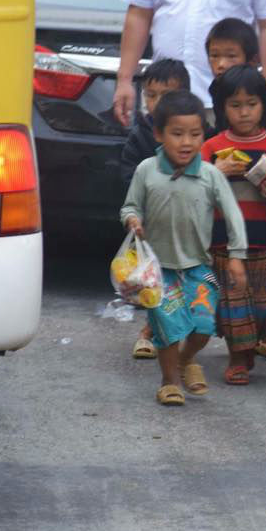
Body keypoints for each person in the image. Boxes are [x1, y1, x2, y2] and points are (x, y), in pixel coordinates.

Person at [119, 91, 248, 406]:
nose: (187, 142)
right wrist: (133, 221)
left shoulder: (211, 175)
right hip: (158, 271)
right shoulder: (147, 170)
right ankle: (169, 382)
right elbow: (129, 207)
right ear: (159, 134)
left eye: (195, 134)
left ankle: (187, 359)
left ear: (204, 135)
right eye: (177, 134)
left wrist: (236, 257)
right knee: (167, 329)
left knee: (204, 327)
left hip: (197, 268)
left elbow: (233, 216)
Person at [200, 65, 266, 384]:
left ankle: (250, 349)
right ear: (222, 108)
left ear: (264, 105)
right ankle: (237, 358)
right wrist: (214, 173)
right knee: (235, 303)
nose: (244, 113)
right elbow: (192, 192)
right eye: (235, 105)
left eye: (252, 104)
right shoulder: (212, 148)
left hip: (263, 240)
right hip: (225, 242)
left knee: (263, 305)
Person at [113, 0, 266, 126]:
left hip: (230, 102)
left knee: (225, 161)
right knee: (159, 161)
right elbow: (139, 14)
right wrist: (124, 80)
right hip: (163, 97)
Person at [119, 59, 192, 361]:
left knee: (186, 280)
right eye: (150, 95)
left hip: (189, 223)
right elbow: (127, 176)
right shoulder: (141, 135)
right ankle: (149, 333)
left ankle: (176, 335)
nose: (155, 102)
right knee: (155, 281)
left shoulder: (195, 132)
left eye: (165, 95)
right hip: (153, 224)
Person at [203, 18, 266, 141]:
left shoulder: (257, 88)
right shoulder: (216, 87)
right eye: (214, 56)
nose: (221, 64)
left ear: (253, 60)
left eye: (231, 56)